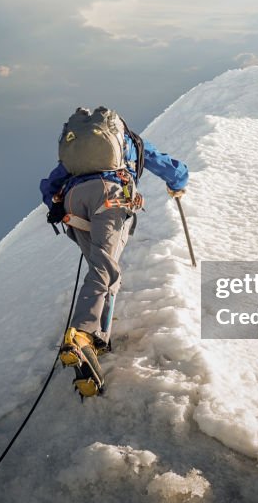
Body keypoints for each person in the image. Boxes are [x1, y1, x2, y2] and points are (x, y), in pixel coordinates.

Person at [40, 106, 188, 397]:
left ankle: (97, 339)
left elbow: (49, 183)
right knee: (104, 268)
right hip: (110, 197)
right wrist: (178, 185)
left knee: (104, 269)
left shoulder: (76, 155)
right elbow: (169, 167)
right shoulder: (130, 143)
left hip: (73, 206)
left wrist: (54, 203)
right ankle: (82, 333)